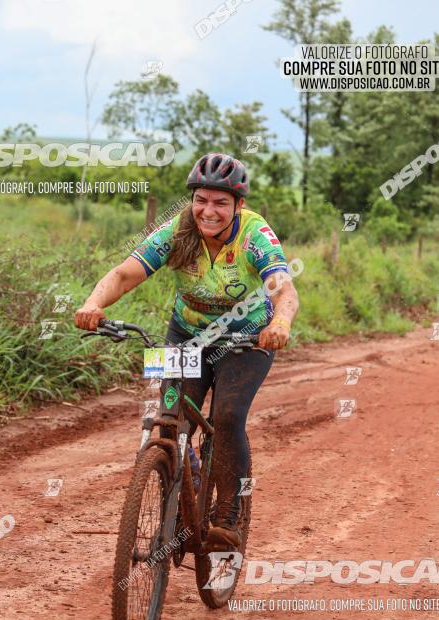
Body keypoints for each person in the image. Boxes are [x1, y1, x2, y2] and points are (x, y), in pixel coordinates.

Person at [74, 152, 299, 549]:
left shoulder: (254, 235)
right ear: (191, 199)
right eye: (201, 199)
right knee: (169, 420)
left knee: (228, 418)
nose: (208, 211)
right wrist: (94, 304)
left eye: (220, 202)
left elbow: (283, 287)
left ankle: (228, 514)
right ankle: (186, 485)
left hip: (247, 339)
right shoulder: (176, 232)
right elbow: (125, 274)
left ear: (239, 205)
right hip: (185, 335)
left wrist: (280, 324)